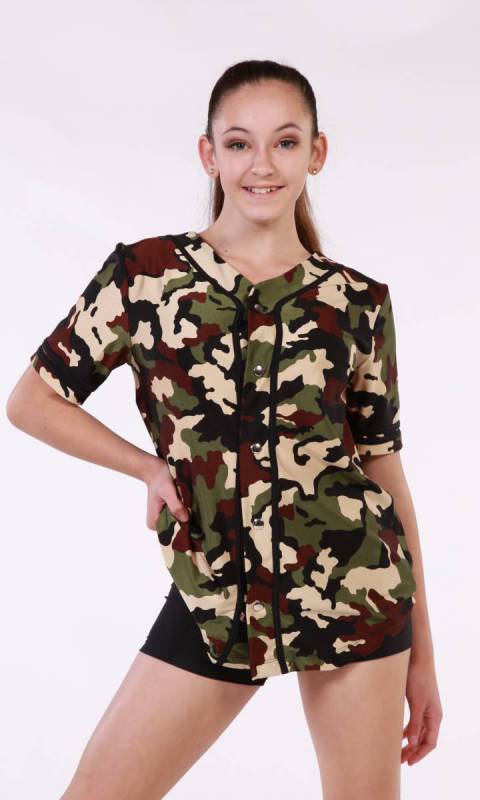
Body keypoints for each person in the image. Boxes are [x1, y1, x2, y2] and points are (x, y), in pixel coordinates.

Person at [6, 59, 442, 799]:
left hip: (357, 593)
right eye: (239, 143)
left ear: (316, 152)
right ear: (209, 154)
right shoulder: (145, 276)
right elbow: (32, 402)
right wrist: (148, 467)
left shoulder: (358, 303)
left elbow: (381, 468)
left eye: (285, 142)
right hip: (215, 593)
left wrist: (424, 657)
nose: (261, 165)